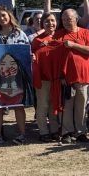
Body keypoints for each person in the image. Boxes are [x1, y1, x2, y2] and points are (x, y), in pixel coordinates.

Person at [0, 5, 30, 145]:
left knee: (18, 104)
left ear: (9, 16)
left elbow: (27, 52)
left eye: (3, 15)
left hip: (17, 75)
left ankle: (22, 134)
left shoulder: (20, 34)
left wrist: (29, 57)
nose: (1, 18)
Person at [53, 8, 89, 142]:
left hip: (83, 76)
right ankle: (67, 132)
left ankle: (81, 132)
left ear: (76, 19)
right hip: (66, 77)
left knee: (81, 105)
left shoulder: (86, 32)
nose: (66, 22)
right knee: (67, 105)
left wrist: (73, 45)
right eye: (63, 19)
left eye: (69, 19)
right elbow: (55, 57)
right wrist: (60, 76)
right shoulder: (58, 34)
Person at [31, 12, 61, 141]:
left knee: (54, 104)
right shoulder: (37, 40)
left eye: (53, 20)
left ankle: (54, 130)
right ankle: (43, 132)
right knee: (43, 105)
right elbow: (31, 57)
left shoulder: (61, 38)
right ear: (42, 24)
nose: (50, 23)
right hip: (42, 77)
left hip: (57, 78)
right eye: (47, 21)